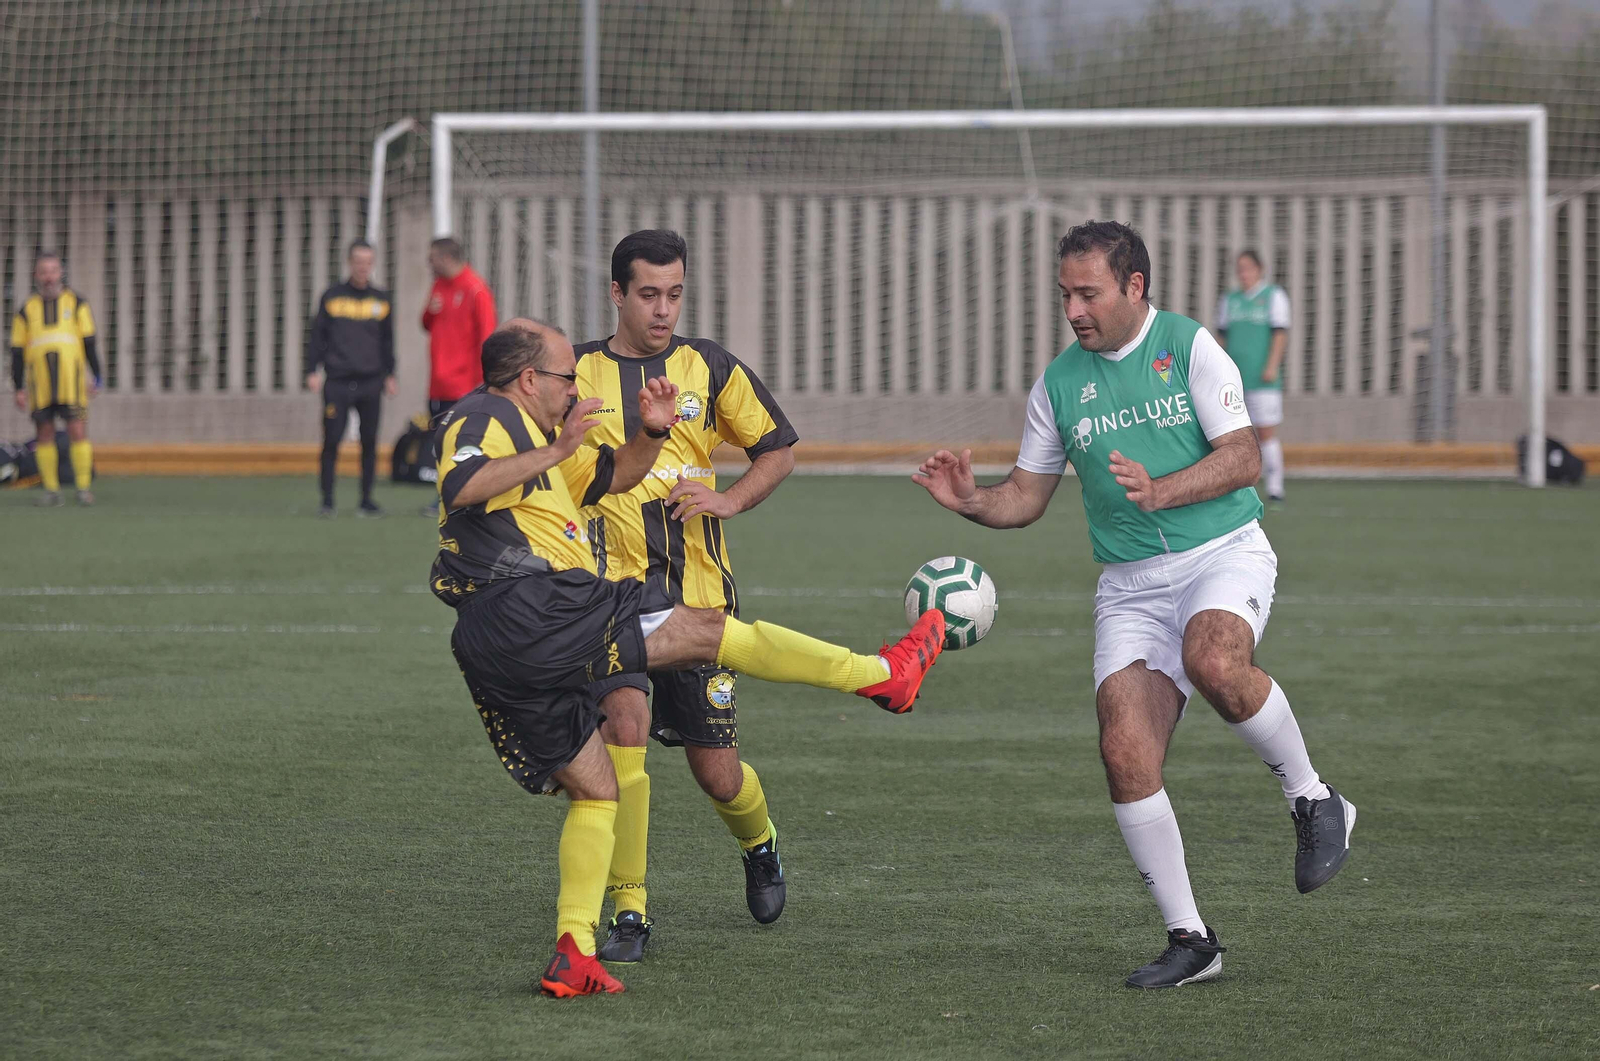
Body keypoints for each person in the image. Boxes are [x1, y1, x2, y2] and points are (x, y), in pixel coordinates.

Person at [430, 319, 943, 999]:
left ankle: (573, 950)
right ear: (528, 380)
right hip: (537, 606)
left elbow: (615, 474)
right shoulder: (486, 414)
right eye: (562, 378)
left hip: (501, 641)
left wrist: (648, 432)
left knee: (595, 788)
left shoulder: (556, 442)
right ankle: (883, 677)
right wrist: (555, 449)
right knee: (706, 629)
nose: (572, 389)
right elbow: (461, 485)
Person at [912, 221, 1354, 990]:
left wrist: (1164, 488)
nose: (1074, 309)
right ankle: (1192, 939)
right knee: (1124, 751)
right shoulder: (1058, 383)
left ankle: (1314, 798)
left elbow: (1244, 456)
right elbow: (1026, 495)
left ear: (1134, 286)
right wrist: (971, 502)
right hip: (1130, 585)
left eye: (1089, 292)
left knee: (1213, 658)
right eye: (1065, 295)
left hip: (1222, 552)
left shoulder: (1188, 347)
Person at [574, 230, 800, 963]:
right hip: (609, 600)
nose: (663, 308)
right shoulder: (577, 373)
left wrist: (731, 500)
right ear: (616, 293)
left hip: (698, 599)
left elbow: (778, 448)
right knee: (624, 734)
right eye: (648, 294)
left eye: (674, 293)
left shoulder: (711, 366)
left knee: (717, 770)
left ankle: (759, 843)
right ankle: (630, 910)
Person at [304, 239, 396, 517]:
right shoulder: (331, 297)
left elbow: (387, 341)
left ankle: (367, 500)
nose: (362, 267)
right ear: (349, 263)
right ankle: (328, 500)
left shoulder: (381, 300)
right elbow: (317, 337)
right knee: (331, 440)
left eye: (367, 262)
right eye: (358, 261)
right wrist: (312, 370)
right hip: (338, 382)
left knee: (369, 441)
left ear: (373, 264)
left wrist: (390, 374)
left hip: (371, 382)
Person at [10, 252, 99, 507]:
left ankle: (83, 488)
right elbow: (17, 352)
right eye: (43, 271)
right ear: (36, 276)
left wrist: (98, 375)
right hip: (40, 386)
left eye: (53, 271)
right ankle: (52, 491)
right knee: (44, 434)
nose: (49, 276)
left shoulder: (77, 303)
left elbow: (90, 342)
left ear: (61, 273)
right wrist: (18, 387)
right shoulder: (26, 310)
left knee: (77, 431)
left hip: (71, 383)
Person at [420, 236, 494, 515]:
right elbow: (426, 323)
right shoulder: (439, 286)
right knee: (439, 443)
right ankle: (442, 495)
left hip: (464, 384)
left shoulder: (476, 289)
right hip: (437, 382)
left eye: (432, 257)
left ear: (446, 257)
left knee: (463, 444)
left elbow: (487, 338)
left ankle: (464, 496)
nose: (429, 263)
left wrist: (481, 380)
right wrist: (430, 311)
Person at [1216, 250, 1291, 504]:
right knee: (1232, 433)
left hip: (1263, 380)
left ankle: (1275, 486)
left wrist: (1271, 366)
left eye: (1248, 268)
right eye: (1240, 269)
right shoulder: (1230, 300)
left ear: (1259, 269)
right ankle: (1236, 484)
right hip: (1234, 380)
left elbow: (1280, 334)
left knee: (1266, 432)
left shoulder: (1274, 296)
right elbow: (1221, 338)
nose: (1244, 273)